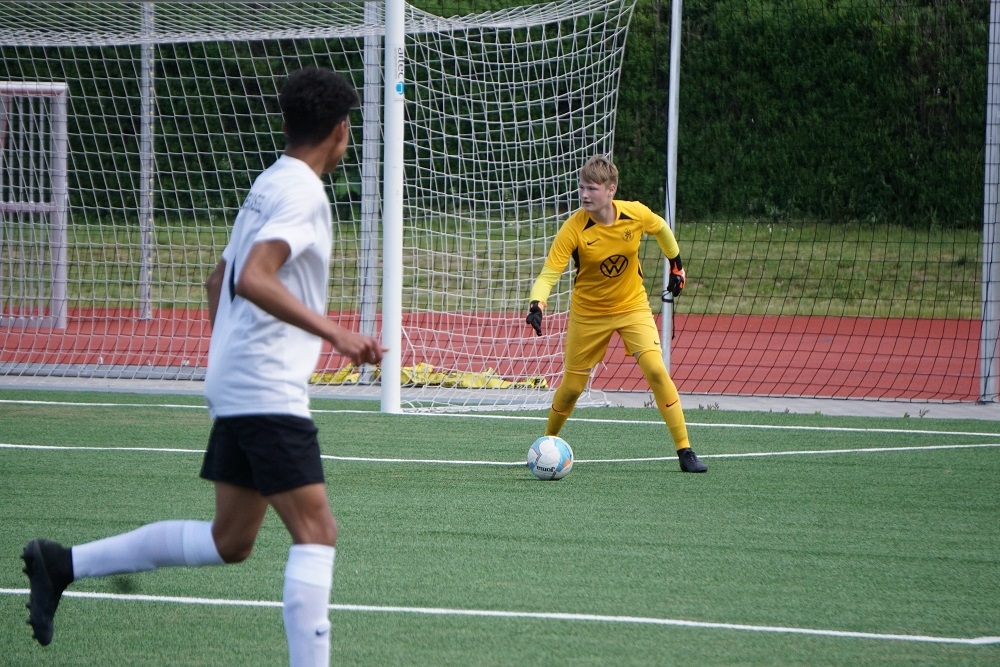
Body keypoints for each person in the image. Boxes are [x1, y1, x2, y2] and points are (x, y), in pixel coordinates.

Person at [20, 67, 387, 665]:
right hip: (265, 386)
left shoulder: (270, 181)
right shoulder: (302, 193)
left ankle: (62, 563)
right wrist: (336, 333)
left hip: (241, 380)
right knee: (317, 532)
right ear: (341, 130)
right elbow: (251, 277)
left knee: (231, 539)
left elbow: (217, 281)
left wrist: (231, 357)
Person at [525, 155, 707, 473]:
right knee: (572, 388)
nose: (584, 195)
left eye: (592, 189)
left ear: (611, 190)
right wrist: (537, 303)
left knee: (657, 370)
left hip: (631, 305)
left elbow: (662, 229)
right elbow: (549, 273)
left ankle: (685, 450)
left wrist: (677, 266)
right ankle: (547, 444)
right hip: (588, 314)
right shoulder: (574, 228)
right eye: (582, 187)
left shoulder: (634, 213)